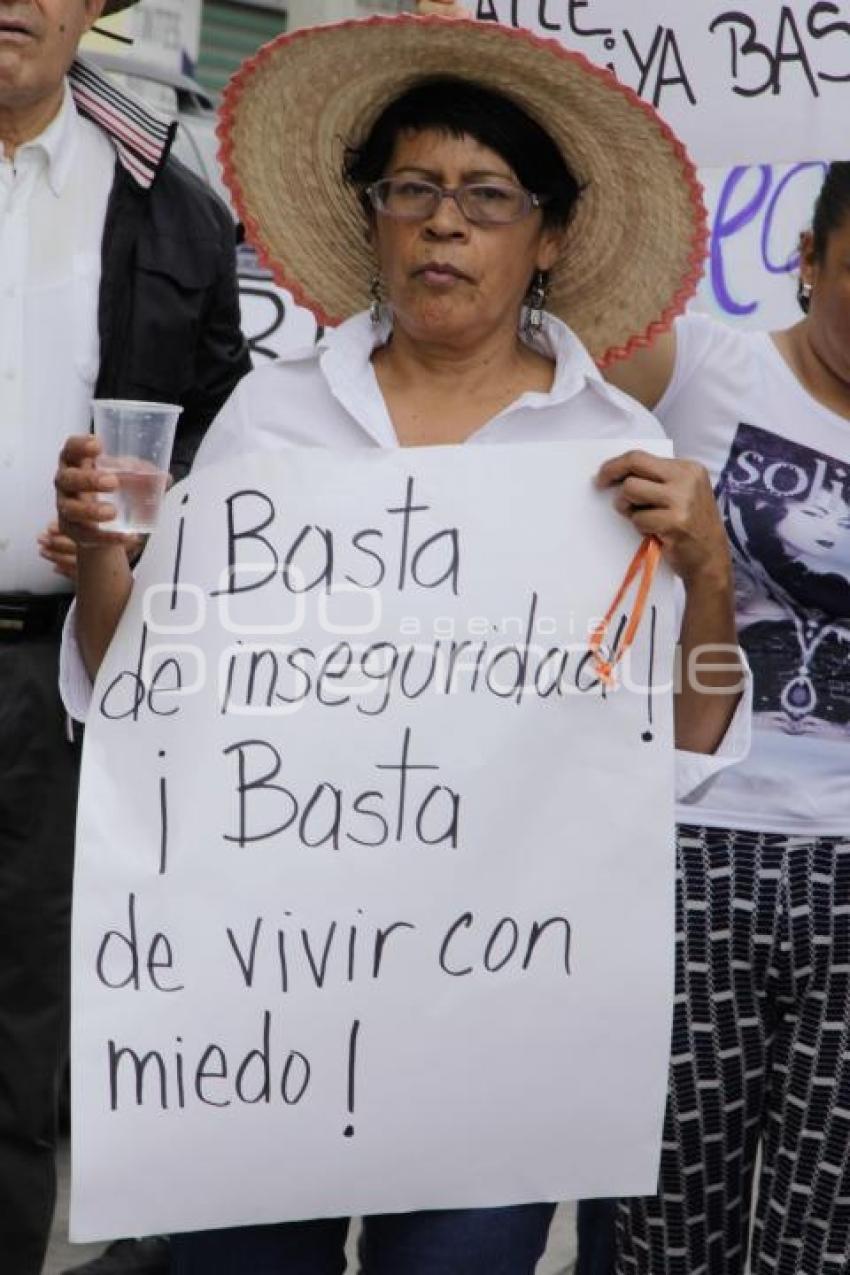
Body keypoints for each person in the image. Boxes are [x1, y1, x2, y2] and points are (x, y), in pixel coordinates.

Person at [55, 15, 748, 1275]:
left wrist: (705, 577)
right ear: (370, 220)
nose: (444, 223)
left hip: (496, 1025)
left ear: (551, 236)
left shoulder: (609, 463)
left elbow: (688, 742)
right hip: (264, 1005)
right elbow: (135, 697)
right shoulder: (271, 419)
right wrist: (108, 550)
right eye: (412, 190)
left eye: (486, 196)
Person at [0, 2, 250, 1273]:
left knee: (19, 1030)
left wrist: (137, 535)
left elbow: (220, 425)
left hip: (52, 678)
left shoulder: (166, 201)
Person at [583, 163, 850, 1275]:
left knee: (820, 1236)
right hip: (690, 846)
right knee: (660, 1217)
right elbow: (521, 382)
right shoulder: (700, 361)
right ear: (804, 260)